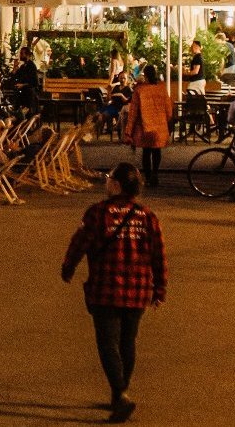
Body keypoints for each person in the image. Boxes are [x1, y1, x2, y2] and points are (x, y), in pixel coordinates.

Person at [61, 161, 166, 424]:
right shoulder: (147, 216)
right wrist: (160, 288)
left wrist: (68, 267)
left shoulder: (98, 213)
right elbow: (158, 255)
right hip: (139, 291)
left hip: (106, 290)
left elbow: (79, 243)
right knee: (127, 342)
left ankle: (120, 395)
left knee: (108, 342)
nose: (106, 182)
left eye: (109, 178)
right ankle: (120, 391)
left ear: (116, 185)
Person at [123, 65, 172, 188]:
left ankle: (148, 177)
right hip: (159, 126)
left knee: (146, 152)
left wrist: (128, 131)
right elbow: (168, 109)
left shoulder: (139, 90)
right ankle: (155, 173)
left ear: (145, 75)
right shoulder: (162, 89)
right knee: (157, 150)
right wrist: (168, 123)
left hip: (145, 126)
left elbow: (133, 113)